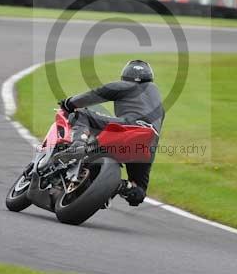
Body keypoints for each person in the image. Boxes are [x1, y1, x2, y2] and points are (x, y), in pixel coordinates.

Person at [58, 59, 164, 207]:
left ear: (126, 76)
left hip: (129, 125)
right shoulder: (158, 102)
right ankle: (123, 187)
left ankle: (78, 145)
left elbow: (97, 93)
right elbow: (155, 135)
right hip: (147, 143)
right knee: (138, 191)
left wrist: (69, 102)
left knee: (81, 114)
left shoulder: (128, 86)